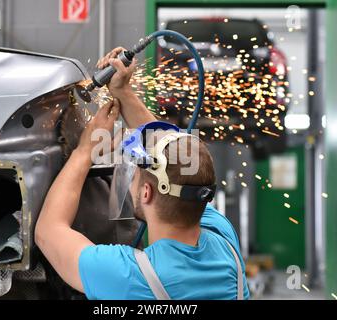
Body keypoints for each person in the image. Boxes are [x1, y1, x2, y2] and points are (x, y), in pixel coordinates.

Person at [35, 48, 249, 300]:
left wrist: (84, 151)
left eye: (136, 171)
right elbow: (171, 153)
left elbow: (47, 231)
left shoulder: (130, 276)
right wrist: (123, 92)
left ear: (146, 192)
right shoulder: (223, 241)